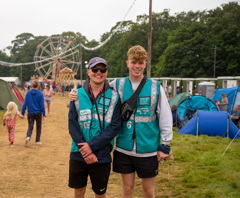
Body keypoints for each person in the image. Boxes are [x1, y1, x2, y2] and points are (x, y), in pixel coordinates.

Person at [69, 45, 173, 198]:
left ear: (145, 64)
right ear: (127, 63)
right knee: (127, 189)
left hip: (148, 148)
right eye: (133, 62)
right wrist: (75, 93)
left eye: (141, 62)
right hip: (124, 148)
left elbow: (165, 116)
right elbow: (95, 87)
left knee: (149, 191)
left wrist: (165, 144)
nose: (137, 66)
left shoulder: (155, 87)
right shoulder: (116, 84)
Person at [68, 57, 122, 198]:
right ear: (88, 71)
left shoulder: (115, 97)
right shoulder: (77, 95)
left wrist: (91, 147)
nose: (99, 72)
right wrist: (85, 150)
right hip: (78, 152)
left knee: (100, 193)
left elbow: (115, 126)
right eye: (95, 69)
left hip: (101, 154)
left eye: (102, 69)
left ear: (106, 72)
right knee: (79, 192)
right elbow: (72, 124)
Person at [21, 80, 46, 147]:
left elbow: (25, 104)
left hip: (30, 112)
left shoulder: (28, 93)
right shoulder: (40, 94)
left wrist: (22, 113)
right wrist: (44, 114)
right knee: (38, 126)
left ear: (31, 85)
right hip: (38, 112)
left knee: (30, 126)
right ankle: (37, 140)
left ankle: (28, 136)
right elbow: (42, 105)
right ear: (38, 86)